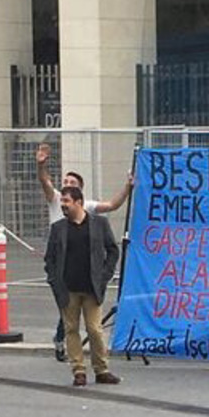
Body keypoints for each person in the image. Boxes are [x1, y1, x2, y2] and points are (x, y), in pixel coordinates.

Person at [37, 143, 133, 361]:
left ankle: (93, 359)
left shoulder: (87, 207)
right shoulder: (56, 201)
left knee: (92, 325)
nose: (66, 186)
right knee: (67, 309)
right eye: (65, 182)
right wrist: (40, 165)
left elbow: (112, 205)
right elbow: (44, 181)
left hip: (86, 271)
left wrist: (128, 187)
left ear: (79, 193)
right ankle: (67, 346)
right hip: (63, 267)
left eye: (72, 184)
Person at [44, 186, 122, 387]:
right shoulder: (58, 228)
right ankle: (78, 370)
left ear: (78, 202)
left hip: (91, 288)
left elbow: (112, 250)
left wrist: (105, 275)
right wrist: (54, 281)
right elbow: (50, 259)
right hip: (68, 288)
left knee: (95, 329)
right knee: (71, 329)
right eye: (62, 202)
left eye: (66, 202)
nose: (62, 206)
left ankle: (101, 369)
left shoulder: (99, 224)